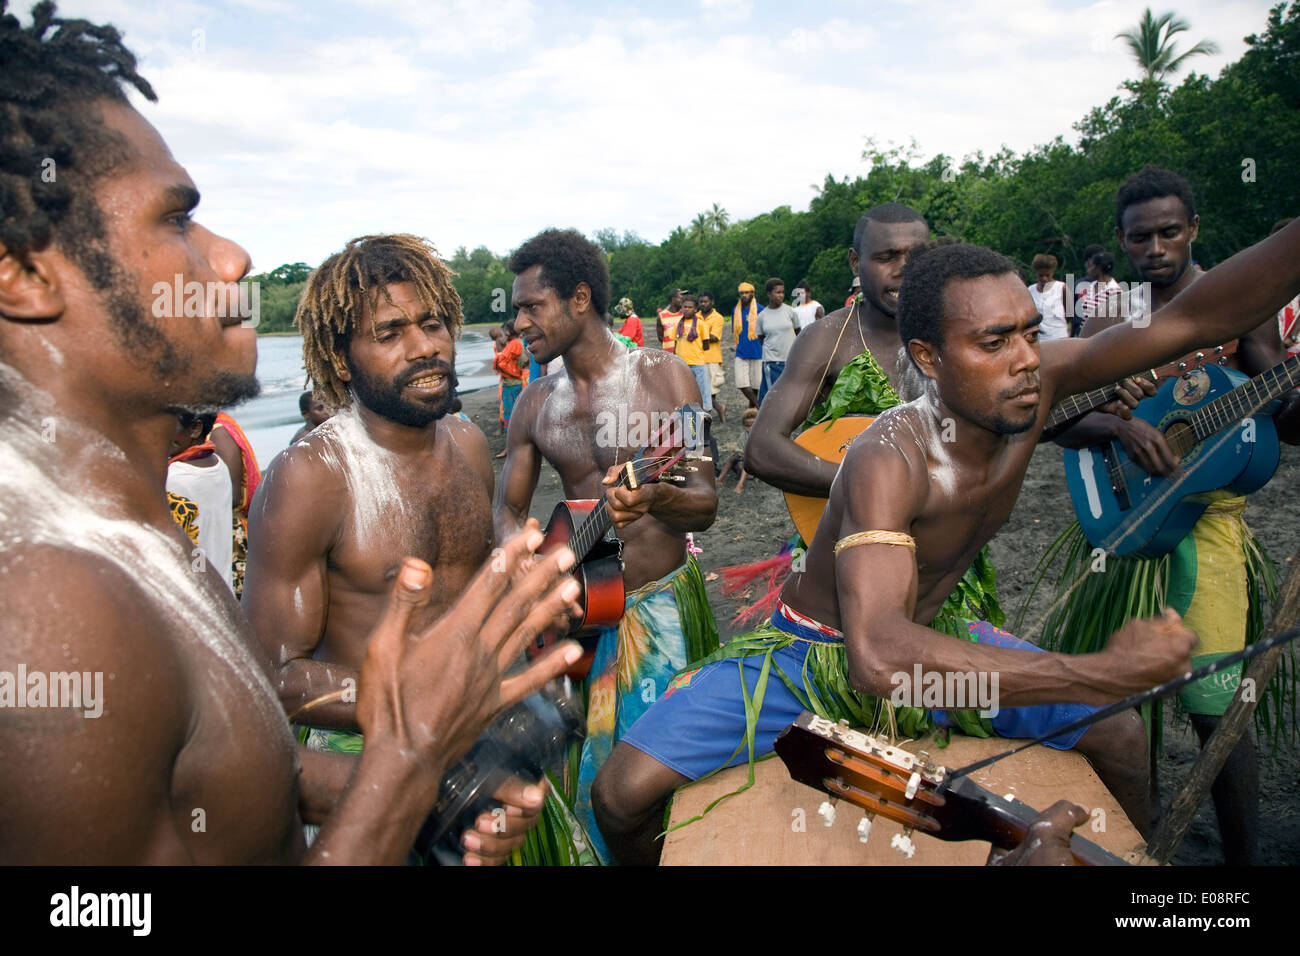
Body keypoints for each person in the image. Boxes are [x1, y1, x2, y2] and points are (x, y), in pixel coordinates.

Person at [0, 2, 582, 864]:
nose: (231, 255)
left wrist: (435, 786)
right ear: (23, 275)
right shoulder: (50, 605)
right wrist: (410, 748)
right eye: (176, 218)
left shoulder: (139, 536)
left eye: (432, 325)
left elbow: (235, 773)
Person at [592, 223, 1300, 865]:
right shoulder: (890, 455)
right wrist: (1098, 673)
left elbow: (1197, 317)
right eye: (994, 343)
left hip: (932, 649)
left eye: (1029, 332)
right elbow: (875, 658)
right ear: (928, 357)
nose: (1026, 359)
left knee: (1117, 738)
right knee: (620, 794)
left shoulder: (1041, 378)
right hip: (811, 657)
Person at [1047, 166, 1300, 865]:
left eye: (1168, 232)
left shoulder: (1240, 301)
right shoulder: (1109, 315)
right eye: (1139, 237)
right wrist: (1118, 428)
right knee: (1117, 697)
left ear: (1193, 228)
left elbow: (1286, 413)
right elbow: (1060, 424)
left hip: (1212, 518)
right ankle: (1134, 837)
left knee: (1216, 697)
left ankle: (1244, 861)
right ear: (1121, 242)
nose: (1154, 247)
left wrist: (1287, 394)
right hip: (1122, 525)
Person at [495, 228, 720, 861]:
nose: (519, 323)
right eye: (517, 310)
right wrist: (533, 569)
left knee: (658, 788)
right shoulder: (535, 403)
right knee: (577, 788)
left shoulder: (668, 376)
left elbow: (704, 501)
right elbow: (506, 510)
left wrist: (656, 498)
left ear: (579, 299)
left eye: (531, 306)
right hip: (580, 623)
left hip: (661, 612)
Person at [167, 411, 235, 593]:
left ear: (195, 428)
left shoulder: (175, 477)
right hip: (223, 587)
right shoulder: (218, 465)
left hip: (196, 591)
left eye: (170, 425)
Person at [756, 277, 802, 404]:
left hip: (790, 360)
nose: (781, 295)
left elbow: (798, 331)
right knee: (773, 395)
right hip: (772, 362)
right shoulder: (762, 316)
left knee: (790, 392)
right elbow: (761, 338)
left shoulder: (790, 312)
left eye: (782, 292)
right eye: (777, 292)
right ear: (769, 294)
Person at [492, 320, 527, 455]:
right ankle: (517, 446)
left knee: (509, 414)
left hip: (511, 383)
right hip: (516, 381)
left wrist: (497, 362)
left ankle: (511, 448)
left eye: (503, 332)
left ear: (507, 332)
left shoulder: (513, 344)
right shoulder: (518, 343)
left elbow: (501, 362)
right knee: (514, 413)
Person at [673, 294, 712, 413]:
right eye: (684, 307)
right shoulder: (678, 324)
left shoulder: (700, 324)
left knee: (703, 391)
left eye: (690, 307)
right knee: (683, 391)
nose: (687, 309)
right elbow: (675, 344)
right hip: (682, 364)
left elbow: (706, 344)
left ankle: (706, 414)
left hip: (697, 363)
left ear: (696, 309)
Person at [733, 281, 764, 408]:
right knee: (741, 383)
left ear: (752, 294)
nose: (744, 295)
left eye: (747, 293)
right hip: (741, 351)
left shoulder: (761, 309)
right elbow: (734, 331)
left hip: (758, 350)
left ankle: (752, 407)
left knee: (757, 384)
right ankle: (758, 406)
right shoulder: (735, 310)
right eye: (742, 293)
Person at [697, 291, 727, 421]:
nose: (703, 304)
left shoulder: (718, 317)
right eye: (701, 302)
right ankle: (717, 409)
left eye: (706, 301)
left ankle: (717, 408)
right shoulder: (695, 316)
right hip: (697, 356)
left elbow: (714, 337)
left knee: (711, 389)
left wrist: (696, 336)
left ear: (712, 302)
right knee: (701, 387)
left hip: (712, 357)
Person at [1027, 254, 1069, 339]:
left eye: (1047, 275)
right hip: (1040, 338)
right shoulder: (1030, 290)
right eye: (1041, 276)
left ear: (1052, 272)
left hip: (1059, 336)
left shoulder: (1062, 288)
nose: (1044, 278)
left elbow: (1069, 314)